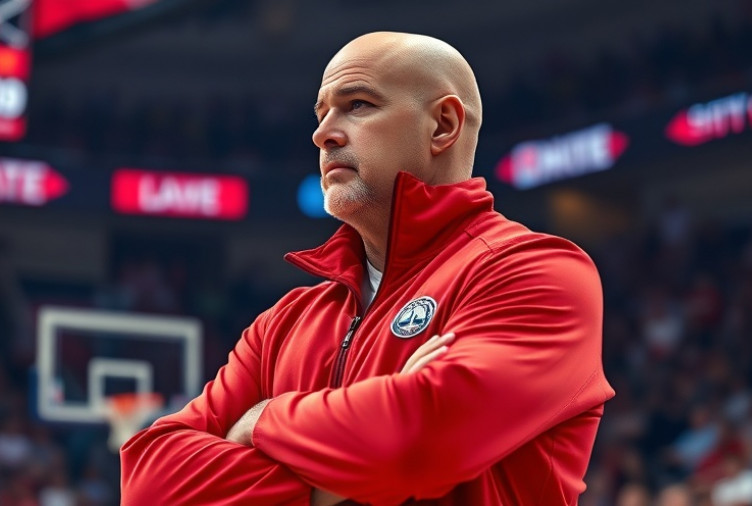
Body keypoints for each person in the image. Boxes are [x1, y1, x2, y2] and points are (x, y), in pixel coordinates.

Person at [120, 31, 614, 505]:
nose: (323, 133)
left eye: (358, 105)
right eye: (321, 113)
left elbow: (416, 447)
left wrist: (260, 420)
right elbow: (150, 486)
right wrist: (340, 475)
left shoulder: (536, 272)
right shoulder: (282, 323)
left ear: (442, 125)